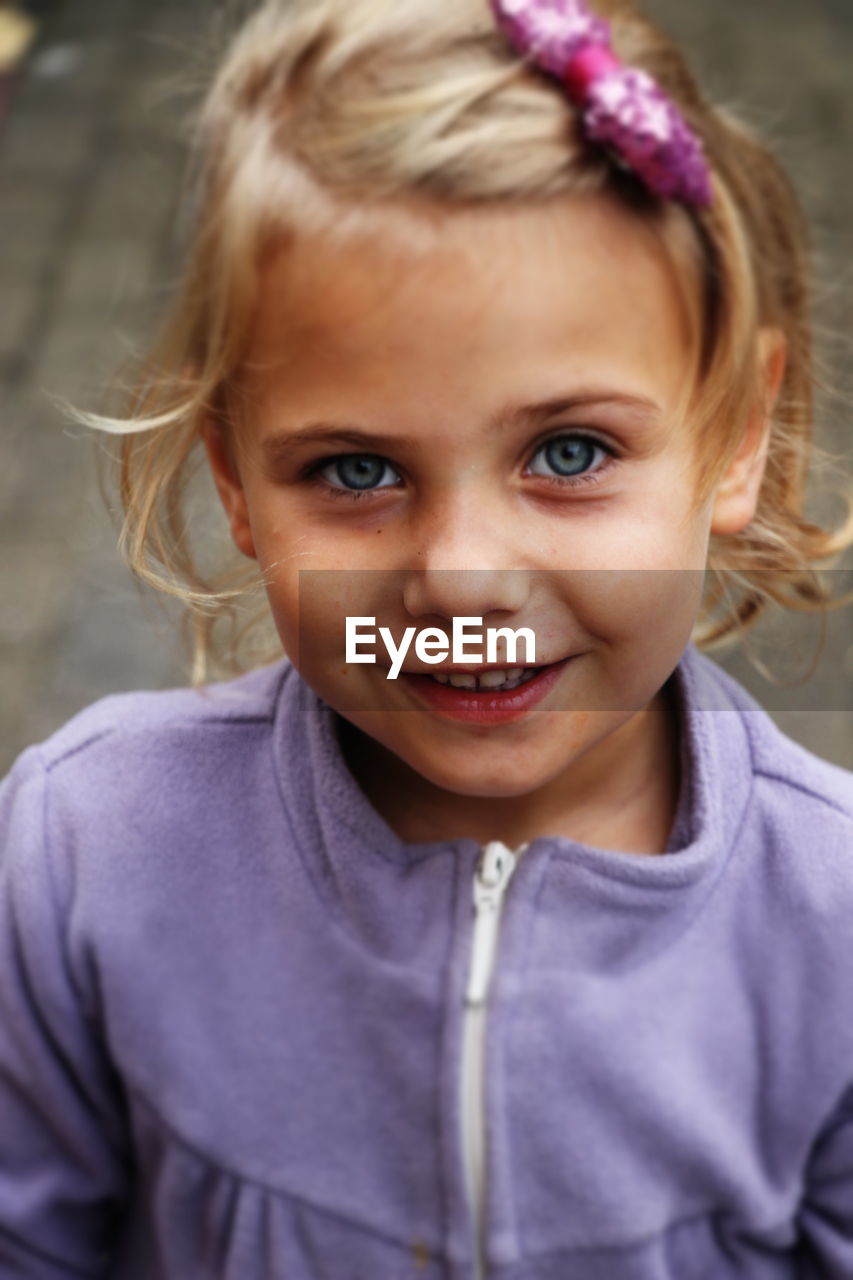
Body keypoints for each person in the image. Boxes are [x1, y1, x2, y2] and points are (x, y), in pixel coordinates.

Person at [2, 0, 853, 1275]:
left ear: (735, 428)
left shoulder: (831, 925)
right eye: (355, 471)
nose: (461, 584)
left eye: (568, 453)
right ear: (232, 477)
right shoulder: (85, 853)